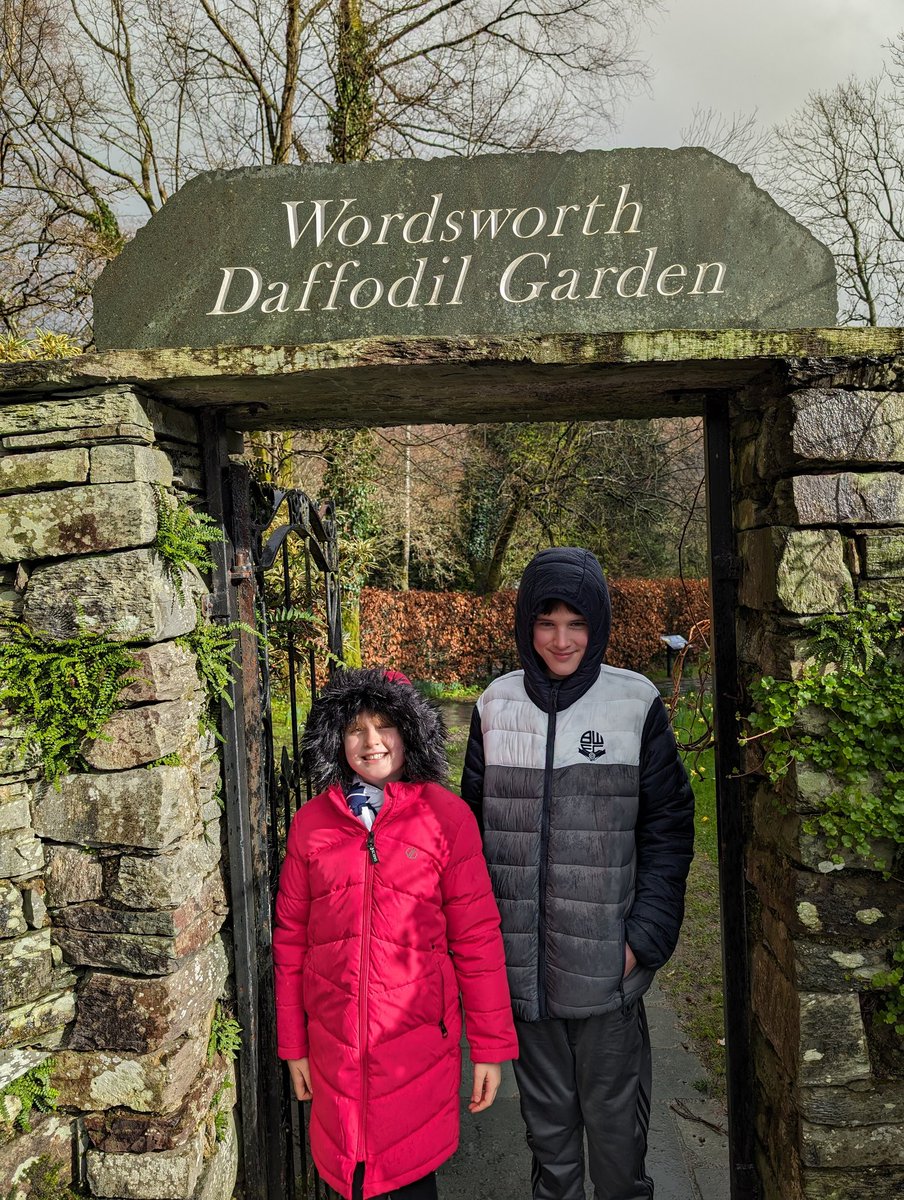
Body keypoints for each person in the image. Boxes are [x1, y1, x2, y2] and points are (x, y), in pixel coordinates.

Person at [461, 547, 695, 1200]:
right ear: (524, 626)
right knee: (551, 1150)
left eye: (576, 623)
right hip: (526, 987)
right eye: (546, 622)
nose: (561, 640)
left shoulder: (634, 702)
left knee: (619, 1154)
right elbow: (469, 844)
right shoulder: (495, 705)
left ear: (598, 626)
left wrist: (643, 940)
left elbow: (669, 829)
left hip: (607, 983)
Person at [274, 667, 518, 1200]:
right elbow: (291, 940)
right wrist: (293, 1044)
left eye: (384, 725)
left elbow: (477, 939)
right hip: (334, 1052)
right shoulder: (311, 824)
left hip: (416, 1052)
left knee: (408, 1183)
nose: (371, 742)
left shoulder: (446, 819)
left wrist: (491, 1049)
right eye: (355, 728)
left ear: (408, 731)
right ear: (336, 739)